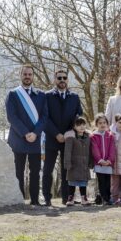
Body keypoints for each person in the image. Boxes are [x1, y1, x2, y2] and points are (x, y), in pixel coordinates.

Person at [5, 64, 49, 206]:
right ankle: (19, 199)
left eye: (30, 74)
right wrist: (25, 133)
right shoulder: (13, 94)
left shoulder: (41, 95)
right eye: (25, 74)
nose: (27, 76)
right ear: (21, 75)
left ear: (33, 76)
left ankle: (35, 200)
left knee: (35, 172)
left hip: (35, 140)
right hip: (18, 139)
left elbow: (44, 116)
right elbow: (12, 117)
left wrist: (35, 133)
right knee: (18, 171)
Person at [43, 70, 82, 206]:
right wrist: (56, 134)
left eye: (64, 78)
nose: (62, 80)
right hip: (51, 138)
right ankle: (47, 198)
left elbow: (79, 117)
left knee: (67, 169)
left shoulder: (75, 97)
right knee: (48, 169)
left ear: (67, 80)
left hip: (68, 139)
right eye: (59, 78)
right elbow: (44, 117)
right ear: (55, 80)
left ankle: (67, 198)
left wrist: (69, 133)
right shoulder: (46, 96)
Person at [63, 117, 92, 206]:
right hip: (74, 164)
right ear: (74, 126)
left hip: (84, 164)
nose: (81, 127)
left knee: (83, 182)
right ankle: (70, 198)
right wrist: (67, 163)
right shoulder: (70, 137)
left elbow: (90, 150)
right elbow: (67, 151)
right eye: (78, 125)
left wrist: (91, 162)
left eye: (83, 124)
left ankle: (84, 198)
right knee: (72, 182)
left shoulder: (88, 137)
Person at [90, 114, 115, 206]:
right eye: (100, 123)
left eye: (104, 122)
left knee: (108, 181)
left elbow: (112, 149)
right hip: (99, 163)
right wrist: (100, 160)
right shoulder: (93, 136)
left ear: (107, 124)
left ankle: (108, 198)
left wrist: (109, 160)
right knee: (101, 181)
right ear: (96, 124)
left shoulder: (110, 135)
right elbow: (94, 149)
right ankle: (103, 198)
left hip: (108, 163)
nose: (102, 124)